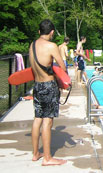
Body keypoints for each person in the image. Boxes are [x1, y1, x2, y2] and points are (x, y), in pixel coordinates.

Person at [29, 19, 67, 166]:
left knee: (37, 118)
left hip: (37, 86)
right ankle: (47, 158)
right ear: (51, 32)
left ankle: (35, 154)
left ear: (39, 31)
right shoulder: (52, 46)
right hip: (49, 86)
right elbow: (62, 67)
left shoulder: (32, 45)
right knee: (48, 120)